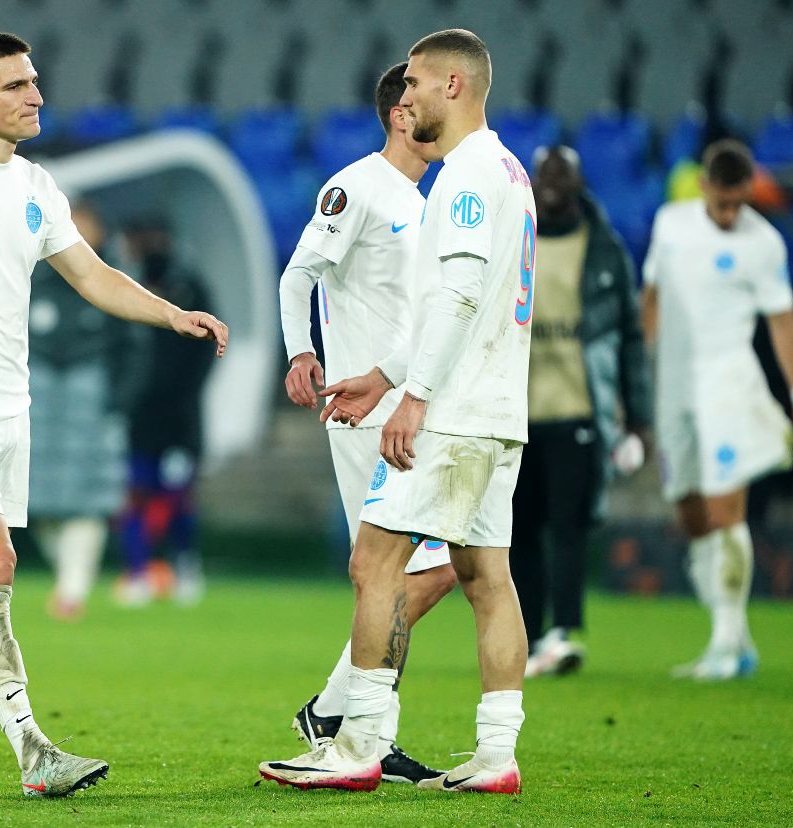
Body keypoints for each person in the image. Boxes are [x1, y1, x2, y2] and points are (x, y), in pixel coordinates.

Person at [0, 31, 227, 796]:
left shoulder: (35, 186)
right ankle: (35, 750)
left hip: (6, 412)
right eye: (17, 85)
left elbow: (93, 276)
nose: (36, 97)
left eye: (34, 83)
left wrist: (171, 314)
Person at [260, 29, 534, 795]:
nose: (400, 96)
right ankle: (496, 755)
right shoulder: (512, 170)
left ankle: (354, 741)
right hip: (498, 406)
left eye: (413, 83)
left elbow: (458, 293)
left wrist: (412, 395)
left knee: (374, 563)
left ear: (453, 85)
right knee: (485, 576)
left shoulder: (465, 176)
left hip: (447, 409)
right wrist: (382, 376)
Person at [276, 61, 455, 785]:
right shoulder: (357, 187)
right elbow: (299, 275)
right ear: (399, 113)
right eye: (428, 100)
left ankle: (339, 713)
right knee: (411, 571)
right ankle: (357, 727)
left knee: (427, 570)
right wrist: (300, 351)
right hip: (362, 408)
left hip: (407, 406)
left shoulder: (423, 199)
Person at [641, 139, 793, 680]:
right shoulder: (671, 224)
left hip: (728, 383)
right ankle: (733, 637)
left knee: (724, 510)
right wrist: (644, 370)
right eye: (725, 203)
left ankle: (724, 642)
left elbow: (783, 322)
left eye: (741, 204)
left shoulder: (763, 244)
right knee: (691, 512)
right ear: (707, 187)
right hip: (675, 385)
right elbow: (653, 297)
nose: (733, 214)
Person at [512, 146, 652, 678]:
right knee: (520, 528)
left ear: (578, 184)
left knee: (569, 526)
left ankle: (562, 633)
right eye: (543, 177)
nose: (550, 187)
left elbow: (630, 339)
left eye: (559, 178)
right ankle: (526, 637)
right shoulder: (511, 239)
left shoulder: (604, 249)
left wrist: (637, 418)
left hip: (577, 410)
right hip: (515, 413)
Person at [26, 202, 142, 619]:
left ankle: (72, 589)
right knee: (32, 498)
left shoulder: (117, 278)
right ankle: (68, 575)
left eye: (85, 225)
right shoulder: (32, 275)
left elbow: (134, 347)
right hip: (37, 405)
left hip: (92, 408)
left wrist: (118, 401)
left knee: (88, 500)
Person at [114, 217, 216, 606]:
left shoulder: (190, 288)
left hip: (180, 420)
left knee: (177, 497)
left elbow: (209, 350)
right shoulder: (126, 287)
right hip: (140, 418)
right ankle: (137, 571)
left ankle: (185, 565)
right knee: (137, 495)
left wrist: (185, 395)